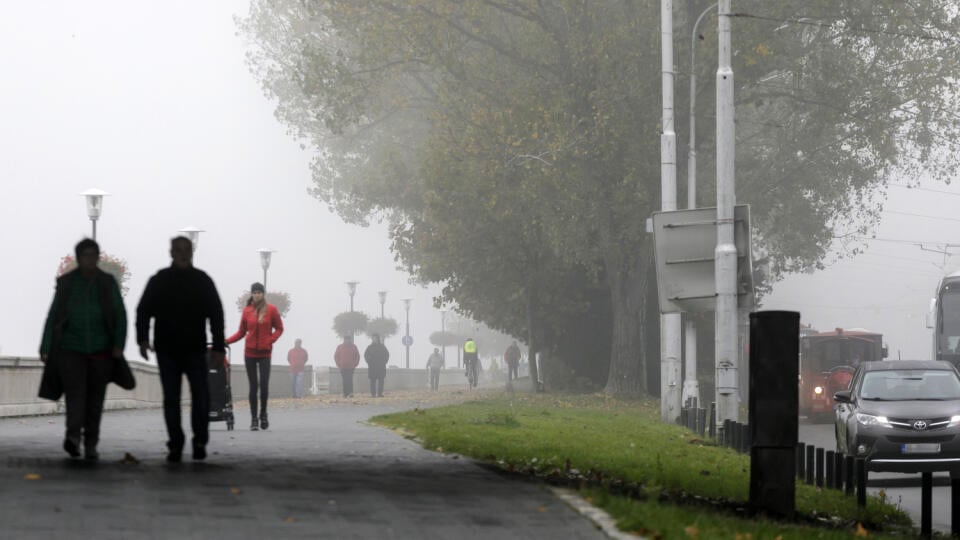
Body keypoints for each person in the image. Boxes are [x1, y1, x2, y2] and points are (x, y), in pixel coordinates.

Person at [136, 236, 225, 462]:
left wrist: (217, 347)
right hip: (167, 350)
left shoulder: (202, 281)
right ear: (172, 252)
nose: (183, 254)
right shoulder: (160, 280)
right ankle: (176, 443)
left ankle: (199, 440)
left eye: (186, 250)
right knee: (172, 398)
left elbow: (216, 315)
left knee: (201, 397)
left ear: (192, 252)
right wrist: (143, 340)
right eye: (179, 250)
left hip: (195, 349)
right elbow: (143, 310)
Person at [40, 238, 126, 461]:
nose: (90, 259)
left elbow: (120, 314)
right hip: (71, 349)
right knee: (75, 396)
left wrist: (118, 343)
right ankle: (73, 437)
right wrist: (46, 345)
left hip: (101, 351)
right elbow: (54, 314)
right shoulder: (67, 283)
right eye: (86, 255)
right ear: (79, 258)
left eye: (93, 255)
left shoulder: (107, 283)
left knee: (95, 400)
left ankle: (90, 443)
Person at [226, 282, 283, 431]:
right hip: (250, 353)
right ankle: (254, 419)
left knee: (263, 385)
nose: (257, 294)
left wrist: (270, 340)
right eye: (254, 292)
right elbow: (241, 332)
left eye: (259, 292)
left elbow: (279, 328)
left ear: (263, 294)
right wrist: (225, 341)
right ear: (252, 294)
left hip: (265, 353)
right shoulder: (247, 311)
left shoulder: (271, 310)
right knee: (253, 386)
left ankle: (263, 414)